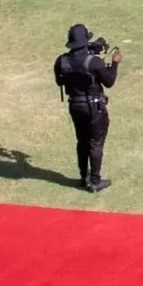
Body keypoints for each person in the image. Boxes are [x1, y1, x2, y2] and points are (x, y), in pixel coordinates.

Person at [53, 24, 121, 193]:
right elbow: (109, 81)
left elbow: (60, 82)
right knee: (95, 142)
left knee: (82, 142)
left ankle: (84, 177)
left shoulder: (61, 61)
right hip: (94, 107)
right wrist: (114, 64)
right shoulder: (94, 62)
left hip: (75, 106)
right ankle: (95, 181)